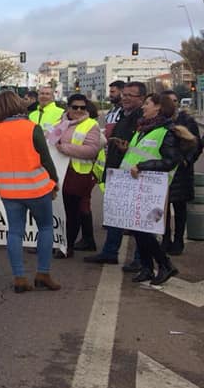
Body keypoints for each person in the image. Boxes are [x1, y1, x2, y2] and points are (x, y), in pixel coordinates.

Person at [0, 90, 61, 293]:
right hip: (36, 188)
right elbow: (45, 158)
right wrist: (54, 181)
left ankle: (19, 277)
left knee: (15, 232)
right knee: (45, 228)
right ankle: (43, 273)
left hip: (9, 190)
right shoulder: (32, 128)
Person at [123, 93, 188, 286]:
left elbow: (170, 161)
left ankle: (165, 264)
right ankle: (146, 267)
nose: (143, 107)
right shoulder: (144, 128)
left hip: (152, 188)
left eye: (147, 104)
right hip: (137, 186)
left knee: (144, 231)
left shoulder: (166, 131)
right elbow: (138, 154)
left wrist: (143, 166)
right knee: (138, 229)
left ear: (158, 107)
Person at [84, 81, 146, 266]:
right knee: (115, 215)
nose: (124, 98)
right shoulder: (124, 115)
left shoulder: (141, 118)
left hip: (132, 174)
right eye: (124, 94)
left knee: (136, 219)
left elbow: (139, 148)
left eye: (130, 95)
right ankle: (110, 252)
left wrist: (125, 149)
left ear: (141, 99)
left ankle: (140, 259)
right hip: (117, 172)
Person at [48, 93, 101, 257]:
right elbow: (50, 142)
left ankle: (67, 247)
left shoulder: (91, 125)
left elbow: (92, 150)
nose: (79, 110)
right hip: (60, 172)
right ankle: (56, 242)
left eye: (82, 107)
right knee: (57, 210)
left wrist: (65, 148)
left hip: (78, 174)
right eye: (75, 107)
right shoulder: (60, 124)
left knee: (72, 212)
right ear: (68, 108)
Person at [160, 90, 202, 256]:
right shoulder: (159, 122)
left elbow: (196, 144)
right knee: (163, 208)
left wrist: (187, 160)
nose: (174, 103)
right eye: (170, 100)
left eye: (175, 100)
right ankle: (165, 239)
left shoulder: (187, 120)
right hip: (164, 170)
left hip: (182, 172)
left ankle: (178, 240)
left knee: (179, 208)